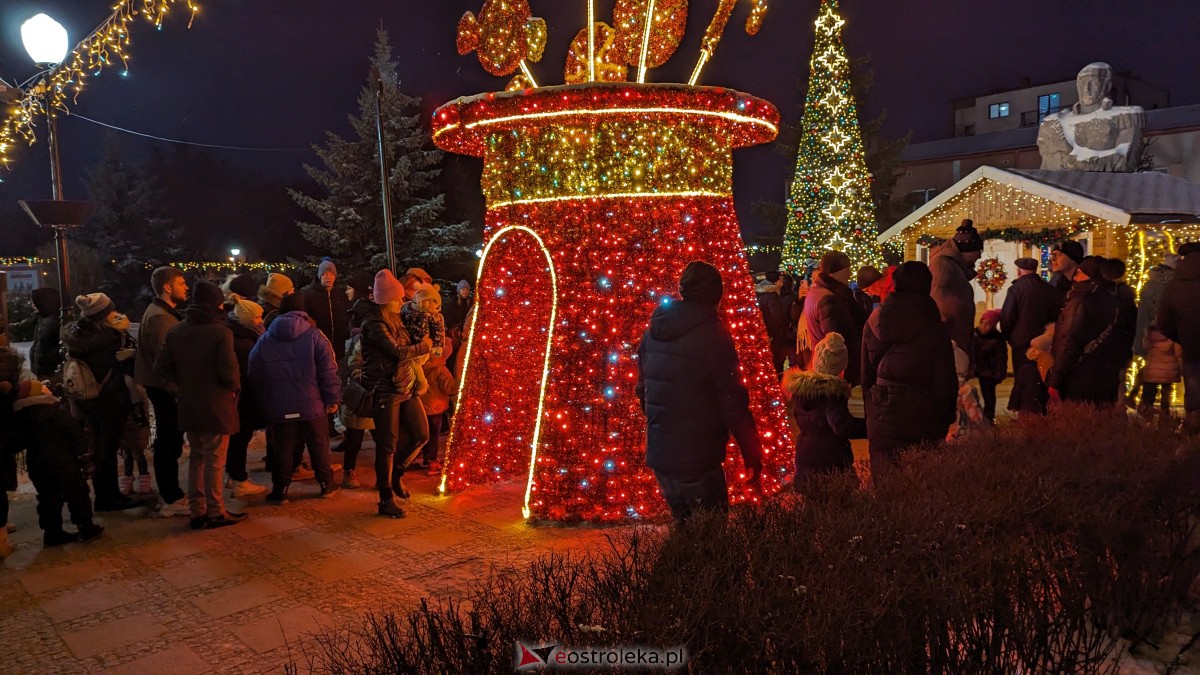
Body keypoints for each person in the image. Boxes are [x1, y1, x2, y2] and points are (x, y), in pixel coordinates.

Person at [635, 261, 763, 524]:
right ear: (716, 297)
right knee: (711, 537)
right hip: (698, 457)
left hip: (662, 455)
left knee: (684, 529)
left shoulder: (653, 333)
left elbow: (642, 388)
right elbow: (733, 402)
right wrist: (752, 453)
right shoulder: (714, 336)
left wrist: (660, 422)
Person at [155, 281, 246, 530]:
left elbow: (162, 368)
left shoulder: (177, 331)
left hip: (188, 403)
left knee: (197, 456)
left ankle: (198, 511)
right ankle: (216, 511)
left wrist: (180, 390)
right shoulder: (220, 332)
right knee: (215, 458)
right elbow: (229, 372)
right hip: (217, 403)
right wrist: (233, 389)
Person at [861, 261, 958, 474]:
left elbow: (867, 371)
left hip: (882, 410)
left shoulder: (876, 320)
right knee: (921, 481)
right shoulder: (934, 326)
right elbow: (945, 379)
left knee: (886, 479)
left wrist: (872, 408)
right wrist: (946, 417)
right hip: (923, 412)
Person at [2, 356, 105, 548]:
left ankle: (52, 533)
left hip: (37, 463)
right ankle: (86, 527)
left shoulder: (20, 417)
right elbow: (74, 433)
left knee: (48, 497)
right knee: (77, 493)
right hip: (64, 462)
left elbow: (15, 444)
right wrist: (83, 455)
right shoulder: (55, 410)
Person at [249, 303, 341, 503]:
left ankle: (280, 490)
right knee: (319, 446)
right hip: (312, 405)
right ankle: (326, 484)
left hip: (279, 406)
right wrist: (332, 399)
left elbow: (254, 372)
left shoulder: (265, 340)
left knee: (283, 448)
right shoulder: (316, 336)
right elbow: (329, 371)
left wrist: (264, 399)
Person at [361, 269, 432, 518]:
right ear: (388, 298)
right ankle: (385, 497)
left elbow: (406, 348)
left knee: (421, 434)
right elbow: (397, 352)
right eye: (399, 297)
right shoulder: (373, 324)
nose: (403, 301)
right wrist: (423, 346)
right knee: (387, 445)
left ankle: (397, 474)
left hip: (407, 386)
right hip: (386, 391)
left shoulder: (398, 319)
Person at [62, 293, 139, 512]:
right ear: (104, 315)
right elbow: (119, 366)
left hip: (89, 400)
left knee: (100, 448)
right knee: (107, 449)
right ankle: (108, 497)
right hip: (109, 399)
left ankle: (106, 494)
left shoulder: (79, 335)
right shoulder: (108, 338)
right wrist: (122, 330)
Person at [136, 266, 189, 517]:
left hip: (164, 388)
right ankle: (170, 496)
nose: (186, 287)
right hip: (165, 390)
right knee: (169, 441)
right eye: (181, 283)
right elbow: (165, 361)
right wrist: (177, 391)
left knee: (170, 439)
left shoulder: (163, 313)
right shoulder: (160, 318)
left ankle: (171, 492)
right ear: (168, 288)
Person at [781, 332, 865, 485]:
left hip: (805, 457)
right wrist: (870, 425)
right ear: (841, 368)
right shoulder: (832, 394)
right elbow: (842, 426)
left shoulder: (801, 392)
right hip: (830, 461)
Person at [1047, 257, 1129, 405]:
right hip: (1108, 374)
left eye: (1079, 272)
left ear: (1090, 275)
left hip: (1079, 375)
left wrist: (1055, 379)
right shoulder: (1116, 299)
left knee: (1079, 422)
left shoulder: (1080, 302)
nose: (1075, 277)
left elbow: (1070, 342)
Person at [224, 294, 270, 498]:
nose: (261, 322)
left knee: (238, 438)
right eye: (258, 318)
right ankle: (238, 478)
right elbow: (249, 372)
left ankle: (233, 475)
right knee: (240, 437)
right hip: (244, 398)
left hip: (241, 398)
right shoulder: (244, 342)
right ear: (248, 319)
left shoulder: (240, 334)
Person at [799, 251, 866, 385]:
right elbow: (834, 338)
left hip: (822, 364)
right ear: (835, 271)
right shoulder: (829, 298)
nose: (849, 274)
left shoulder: (817, 291)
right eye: (848, 269)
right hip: (833, 370)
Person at [107, 311, 152, 496]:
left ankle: (140, 477)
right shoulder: (114, 344)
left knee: (136, 449)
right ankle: (128, 477)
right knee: (127, 449)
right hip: (127, 402)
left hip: (134, 403)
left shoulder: (130, 342)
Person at [1156, 242, 1200, 429]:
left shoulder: (1174, 285)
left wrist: (1180, 337)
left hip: (1191, 348)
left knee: (1194, 392)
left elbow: (1163, 321)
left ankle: (1194, 433)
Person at [929, 219, 983, 364]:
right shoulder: (943, 265)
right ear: (968, 250)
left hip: (955, 340)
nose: (980, 256)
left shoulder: (953, 267)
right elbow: (938, 300)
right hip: (950, 344)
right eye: (978, 251)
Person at [1000, 257, 1059, 376]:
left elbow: (1008, 316)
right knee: (1042, 374)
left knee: (1022, 376)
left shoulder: (1015, 289)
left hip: (1021, 341)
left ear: (1019, 271)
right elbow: (1055, 315)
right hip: (1044, 341)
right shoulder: (1048, 289)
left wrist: (1007, 335)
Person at [418, 335, 457, 475]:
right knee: (434, 435)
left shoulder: (420, 366)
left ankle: (420, 456)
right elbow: (449, 388)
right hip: (436, 408)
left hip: (421, 406)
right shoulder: (441, 370)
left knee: (423, 433)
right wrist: (458, 384)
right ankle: (431, 461)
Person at [1134, 254, 1178, 359]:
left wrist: (1140, 346)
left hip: (1153, 340)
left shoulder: (1150, 285)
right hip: (1171, 341)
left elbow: (1143, 317)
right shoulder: (1176, 285)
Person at [1008, 325, 1054, 416]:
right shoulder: (1026, 368)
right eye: (1032, 348)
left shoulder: (1049, 368)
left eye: (1037, 349)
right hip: (1027, 407)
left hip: (1043, 408)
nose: (1033, 351)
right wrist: (1014, 405)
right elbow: (1018, 388)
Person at [946, 343, 988, 443]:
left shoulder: (938, 385)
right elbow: (975, 415)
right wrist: (985, 430)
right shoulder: (965, 388)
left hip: (943, 433)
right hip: (961, 433)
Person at [973, 309, 1007, 422]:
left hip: (990, 371)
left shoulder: (997, 338)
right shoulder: (974, 334)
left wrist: (999, 373)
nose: (984, 326)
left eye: (988, 324)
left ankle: (989, 415)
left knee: (988, 394)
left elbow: (1001, 358)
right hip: (979, 368)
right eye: (983, 322)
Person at [1140, 326, 1181, 418]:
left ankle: (1146, 413)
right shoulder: (1172, 336)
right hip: (1168, 371)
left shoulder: (1150, 335)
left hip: (1152, 370)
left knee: (1149, 394)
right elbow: (1178, 352)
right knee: (1166, 393)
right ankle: (1165, 413)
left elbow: (1144, 345)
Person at [755, 271, 790, 374]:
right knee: (776, 361)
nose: (782, 283)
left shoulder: (762, 294)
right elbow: (777, 316)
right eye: (780, 280)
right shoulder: (772, 297)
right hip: (774, 335)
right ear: (775, 282)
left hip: (767, 333)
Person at [28, 287, 62, 379]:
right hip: (43, 369)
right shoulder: (42, 318)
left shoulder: (54, 321)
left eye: (34, 302)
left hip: (50, 371)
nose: (32, 305)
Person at [1050, 240, 1085, 306]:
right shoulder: (1060, 287)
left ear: (1072, 257)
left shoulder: (1086, 285)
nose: (1052, 259)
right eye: (1052, 255)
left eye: (1057, 255)